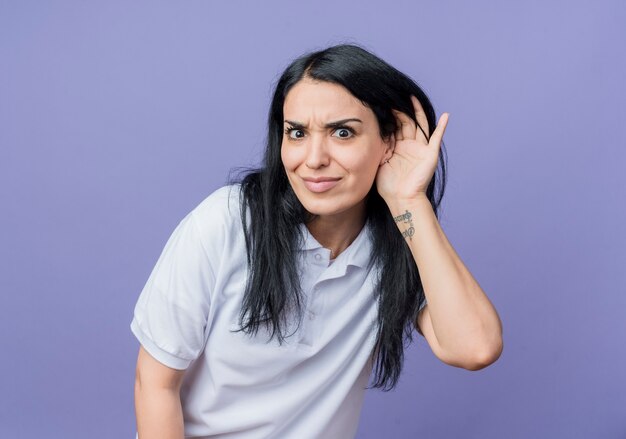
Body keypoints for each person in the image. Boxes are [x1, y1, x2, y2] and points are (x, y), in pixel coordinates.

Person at [131, 43, 503, 438]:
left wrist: (408, 200)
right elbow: (154, 384)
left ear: (388, 139)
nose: (313, 159)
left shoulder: (398, 244)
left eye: (342, 132)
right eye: (297, 133)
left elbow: (474, 348)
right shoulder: (227, 223)